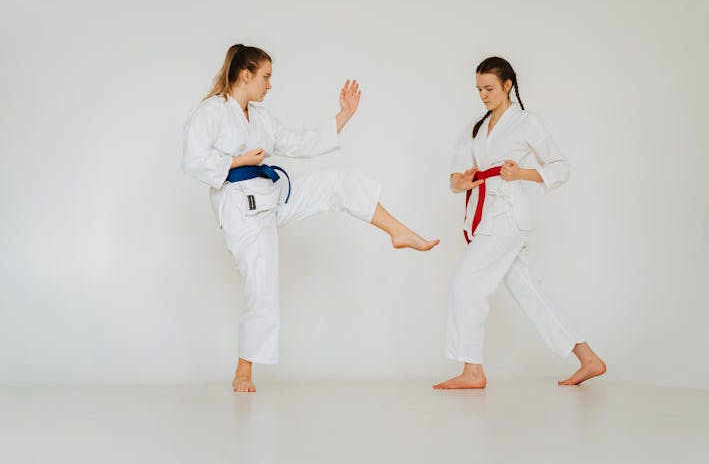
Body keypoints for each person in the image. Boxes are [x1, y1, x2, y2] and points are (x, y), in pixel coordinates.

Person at [182, 44, 439, 392]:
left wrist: (344, 114)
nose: (269, 85)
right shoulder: (210, 112)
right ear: (246, 74)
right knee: (262, 289)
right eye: (266, 77)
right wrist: (239, 161)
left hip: (273, 196)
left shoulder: (260, 117)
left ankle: (398, 232)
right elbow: (194, 160)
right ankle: (244, 371)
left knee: (339, 182)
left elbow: (299, 142)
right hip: (241, 212)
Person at [433, 57, 606, 389]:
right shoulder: (475, 127)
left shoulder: (528, 123)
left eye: (490, 88)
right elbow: (455, 179)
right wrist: (464, 182)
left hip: (509, 214)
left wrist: (521, 173)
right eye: (479, 89)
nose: (483, 95)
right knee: (529, 292)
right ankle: (589, 359)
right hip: (485, 215)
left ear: (507, 85)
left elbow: (560, 166)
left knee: (466, 285)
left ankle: (473, 371)